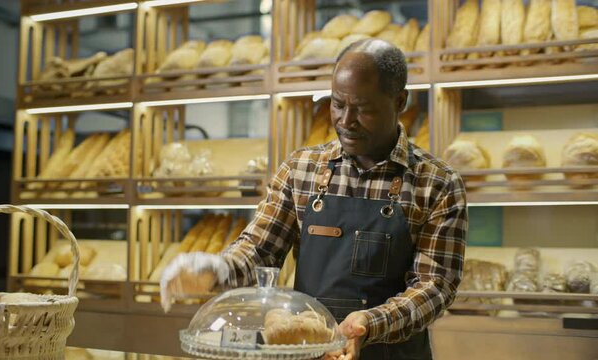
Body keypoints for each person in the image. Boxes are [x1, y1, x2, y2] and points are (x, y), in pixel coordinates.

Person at [160, 39, 468, 360]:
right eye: (337, 104)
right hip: (308, 351)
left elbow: (435, 286)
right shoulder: (302, 168)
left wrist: (367, 324)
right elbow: (260, 250)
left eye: (363, 109)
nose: (346, 120)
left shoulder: (438, 183)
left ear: (399, 101)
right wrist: (216, 268)